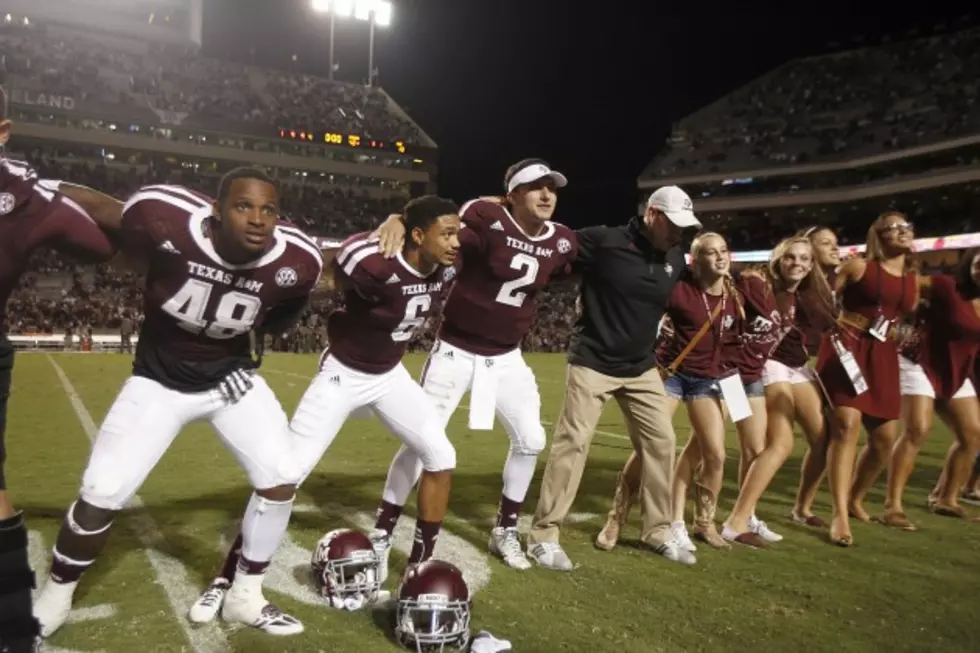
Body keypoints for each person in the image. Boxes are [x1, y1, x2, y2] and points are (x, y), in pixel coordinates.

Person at [32, 168, 323, 637]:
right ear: (217, 210)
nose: (257, 219)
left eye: (269, 209)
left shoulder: (296, 258)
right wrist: (36, 185)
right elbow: (103, 208)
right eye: (244, 206)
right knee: (101, 492)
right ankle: (56, 596)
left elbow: (295, 300)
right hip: (159, 382)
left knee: (281, 476)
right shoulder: (165, 216)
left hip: (229, 382)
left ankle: (245, 596)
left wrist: (253, 341)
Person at [188, 195, 462, 622]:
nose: (456, 241)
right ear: (418, 235)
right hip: (343, 375)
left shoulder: (446, 266)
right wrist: (386, 223)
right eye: (447, 233)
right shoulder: (376, 260)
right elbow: (333, 262)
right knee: (285, 474)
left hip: (389, 376)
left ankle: (419, 565)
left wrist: (397, 217)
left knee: (441, 455)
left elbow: (484, 221)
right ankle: (227, 579)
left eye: (457, 232)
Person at [370, 160, 579, 572]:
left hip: (506, 356)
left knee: (531, 439)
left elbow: (572, 270)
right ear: (512, 194)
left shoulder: (563, 241)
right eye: (535, 187)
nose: (546, 195)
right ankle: (383, 530)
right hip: (456, 350)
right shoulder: (485, 218)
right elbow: (435, 236)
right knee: (422, 442)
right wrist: (398, 217)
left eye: (551, 188)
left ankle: (505, 530)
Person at [0, 90, 118, 653]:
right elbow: (100, 242)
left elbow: (100, 243)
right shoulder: (26, 195)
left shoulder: (26, 197)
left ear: (1, 131)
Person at [527, 186, 697, 569]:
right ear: (653, 214)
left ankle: (657, 530)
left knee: (662, 442)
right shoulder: (604, 240)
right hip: (592, 361)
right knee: (573, 444)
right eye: (673, 224)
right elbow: (549, 244)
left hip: (640, 367)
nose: (678, 234)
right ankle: (543, 535)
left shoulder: (674, 254)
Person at [721, 236, 836, 545]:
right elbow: (732, 284)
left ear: (812, 265)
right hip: (735, 374)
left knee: (758, 449)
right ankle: (714, 519)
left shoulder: (802, 295)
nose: (796, 263)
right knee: (710, 449)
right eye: (790, 257)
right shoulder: (759, 284)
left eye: (803, 259)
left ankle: (748, 515)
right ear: (778, 260)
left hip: (756, 374)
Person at [816, 211, 922, 546]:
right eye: (894, 228)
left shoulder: (912, 276)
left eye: (906, 227)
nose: (902, 232)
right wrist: (836, 325)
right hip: (849, 350)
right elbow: (822, 297)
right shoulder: (859, 266)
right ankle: (839, 516)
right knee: (846, 426)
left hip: (884, 356)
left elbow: (905, 315)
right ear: (878, 235)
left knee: (885, 439)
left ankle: (854, 497)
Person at [881, 248, 980, 529]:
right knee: (917, 430)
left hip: (956, 371)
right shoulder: (945, 286)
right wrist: (906, 314)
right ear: (968, 267)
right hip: (919, 362)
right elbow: (903, 284)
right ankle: (893, 507)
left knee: (972, 435)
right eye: (978, 265)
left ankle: (946, 499)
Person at [784, 226, 841, 526]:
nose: (835, 248)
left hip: (811, 367)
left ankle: (802, 508)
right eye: (826, 243)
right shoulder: (798, 280)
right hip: (784, 365)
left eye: (836, 243)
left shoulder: (833, 282)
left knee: (822, 438)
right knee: (771, 443)